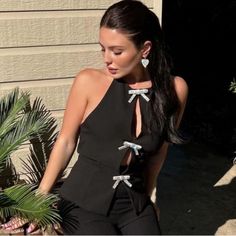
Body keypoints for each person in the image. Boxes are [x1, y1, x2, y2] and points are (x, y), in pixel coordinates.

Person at [1, 0, 188, 234]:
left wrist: (148, 201)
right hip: (83, 202)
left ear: (145, 49)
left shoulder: (175, 90)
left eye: (117, 51)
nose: (107, 59)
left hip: (133, 204)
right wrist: (39, 200)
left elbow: (159, 151)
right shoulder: (89, 82)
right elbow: (66, 141)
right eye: (103, 48)